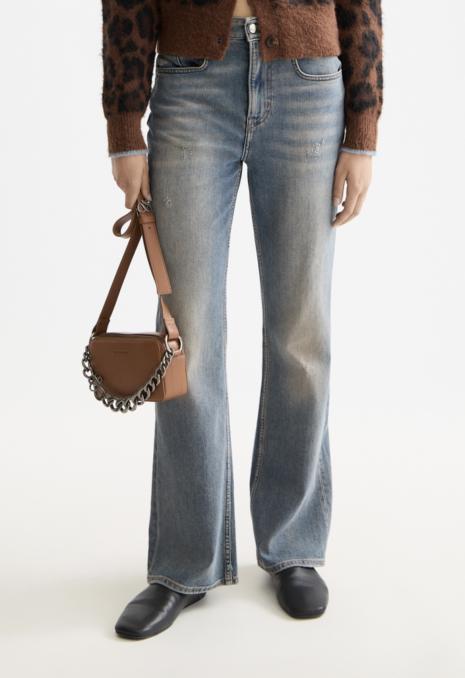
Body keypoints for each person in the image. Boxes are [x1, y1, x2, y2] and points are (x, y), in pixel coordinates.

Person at [101, 0, 383, 639]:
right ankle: (183, 564)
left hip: (309, 83)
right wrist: (124, 125)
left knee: (301, 335)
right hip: (191, 85)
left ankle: (294, 544)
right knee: (186, 338)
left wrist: (363, 128)